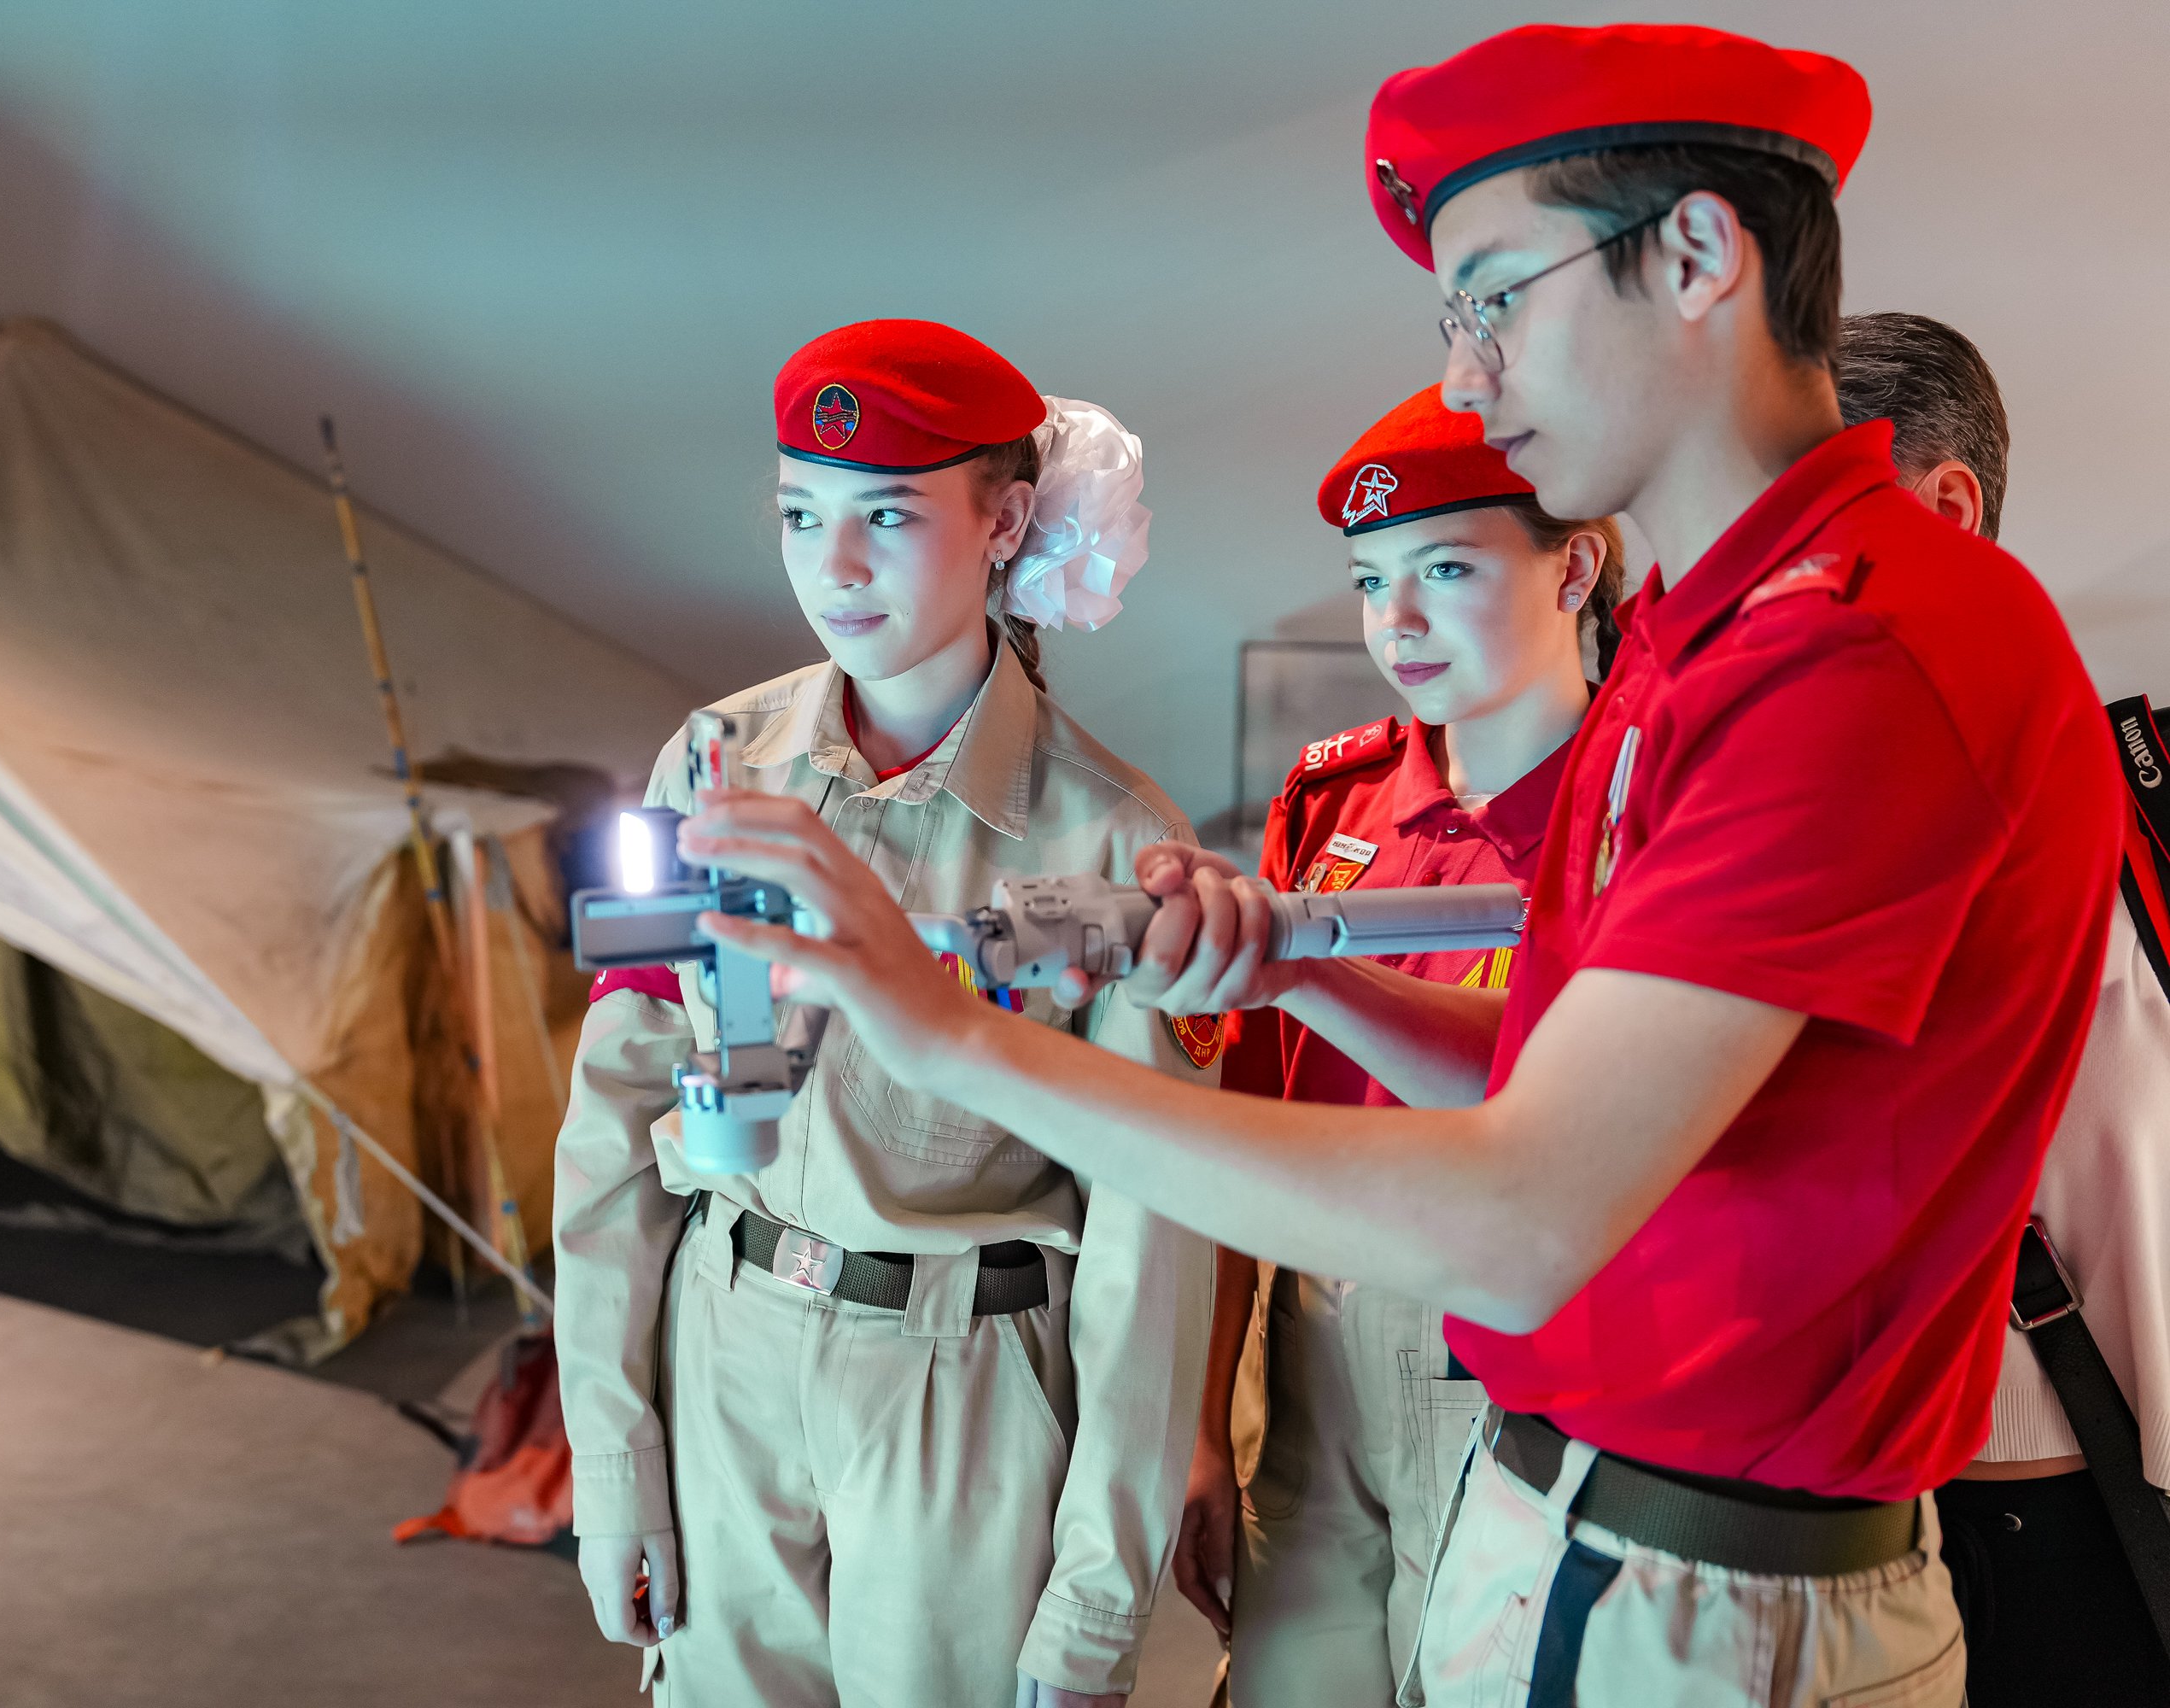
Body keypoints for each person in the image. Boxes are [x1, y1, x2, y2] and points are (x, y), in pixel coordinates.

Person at [674, 25, 2122, 1705]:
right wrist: (1301, 968)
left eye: (1495, 300)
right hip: (1581, 1521)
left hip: (1717, 1584)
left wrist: (952, 1040)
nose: (1473, 381)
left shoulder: (1860, 653)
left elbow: (1524, 1216)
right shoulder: (1698, 648)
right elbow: (1556, 1069)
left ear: (1698, 255)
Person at [551, 319, 1215, 1708]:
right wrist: (614, 1464)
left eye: (888, 516)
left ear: (1005, 523)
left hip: (957, 1387)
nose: (834, 565)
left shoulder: (1114, 845)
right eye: (802, 514)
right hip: (725, 1351)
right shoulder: (715, 768)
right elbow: (614, 1124)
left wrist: (1096, 1608)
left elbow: (1148, 1258)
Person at [1172, 388, 1621, 1705]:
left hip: (1516, 1342)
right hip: (1313, 1343)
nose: (1397, 622)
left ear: (1575, 568)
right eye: (1373, 582)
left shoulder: (1641, 803)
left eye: (1445, 571)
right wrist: (1202, 1418)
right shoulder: (1336, 802)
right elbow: (1247, 1128)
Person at [1837, 308, 2170, 1705]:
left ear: (1948, 511)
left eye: (1807, 524)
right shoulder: (1777, 828)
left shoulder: (2140, 800)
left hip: (2094, 1518)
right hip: (1843, 1529)